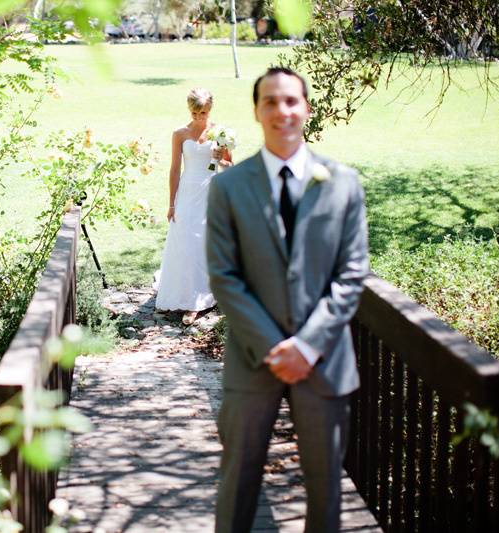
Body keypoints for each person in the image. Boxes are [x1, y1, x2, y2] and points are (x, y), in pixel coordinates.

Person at [206, 67, 369, 532]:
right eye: (271, 102)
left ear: (306, 109)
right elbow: (224, 275)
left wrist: (308, 345)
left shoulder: (342, 184)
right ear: (257, 111)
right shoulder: (228, 188)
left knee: (325, 490)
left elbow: (352, 273)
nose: (282, 110)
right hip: (252, 361)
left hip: (325, 362)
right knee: (237, 483)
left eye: (291, 101)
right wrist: (276, 347)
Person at [155, 88, 231, 326]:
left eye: (204, 112)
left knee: (205, 241)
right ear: (190, 110)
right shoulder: (179, 134)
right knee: (185, 240)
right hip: (188, 192)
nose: (200, 117)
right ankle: (184, 294)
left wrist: (221, 159)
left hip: (211, 191)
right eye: (196, 113)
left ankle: (199, 300)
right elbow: (174, 169)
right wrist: (171, 203)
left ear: (210, 109)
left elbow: (230, 166)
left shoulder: (220, 132)